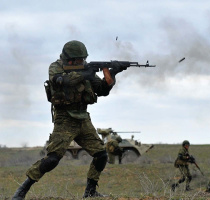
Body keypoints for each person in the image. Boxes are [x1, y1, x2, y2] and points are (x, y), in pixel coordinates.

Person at [12, 40, 126, 199]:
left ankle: (90, 192)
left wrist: (112, 74)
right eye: (79, 60)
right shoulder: (55, 67)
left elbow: (102, 90)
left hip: (83, 118)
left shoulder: (86, 70)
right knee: (52, 159)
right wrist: (84, 74)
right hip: (64, 119)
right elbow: (60, 80)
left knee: (101, 154)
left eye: (84, 60)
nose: (83, 62)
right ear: (69, 60)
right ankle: (21, 191)